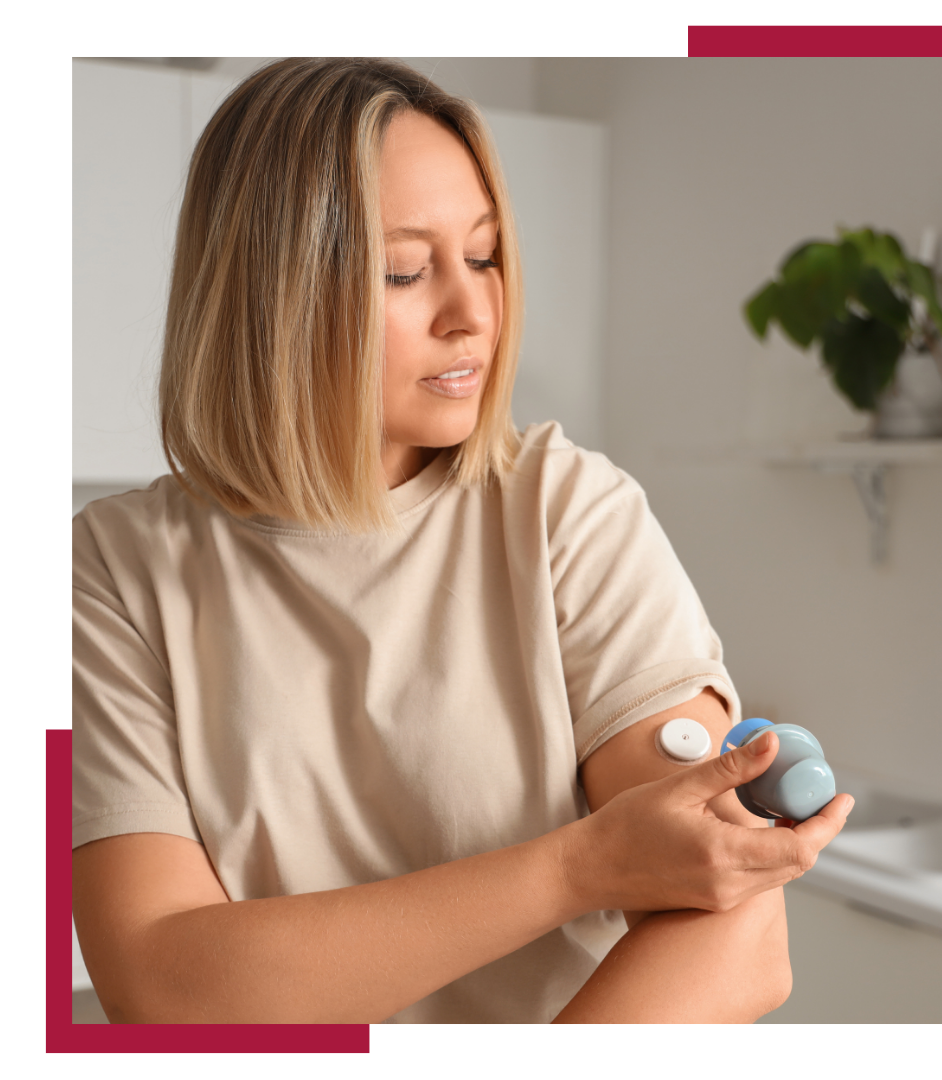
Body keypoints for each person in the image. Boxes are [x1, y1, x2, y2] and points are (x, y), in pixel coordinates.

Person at [72, 57, 853, 1026]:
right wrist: (582, 865)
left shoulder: (566, 511)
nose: (472, 312)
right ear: (269, 294)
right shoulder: (114, 569)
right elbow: (161, 984)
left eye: (483, 256)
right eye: (406, 270)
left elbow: (732, 920)